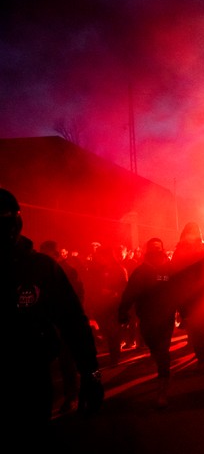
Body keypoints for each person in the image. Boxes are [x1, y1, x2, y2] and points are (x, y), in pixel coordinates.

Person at [1, 188, 103, 444]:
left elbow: (72, 320)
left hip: (30, 380)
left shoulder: (41, 268)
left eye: (4, 218)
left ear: (16, 221)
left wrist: (91, 374)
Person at [118, 237, 177, 408]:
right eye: (152, 248)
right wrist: (123, 311)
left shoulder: (169, 269)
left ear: (163, 249)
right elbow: (130, 292)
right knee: (154, 347)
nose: (156, 250)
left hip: (166, 315)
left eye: (158, 247)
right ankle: (161, 366)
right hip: (147, 317)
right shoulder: (140, 271)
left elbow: (178, 288)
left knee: (163, 349)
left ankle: (163, 384)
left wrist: (184, 309)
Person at [39, 239, 86, 414]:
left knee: (67, 362)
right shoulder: (41, 270)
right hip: (47, 323)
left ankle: (72, 397)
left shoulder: (68, 271)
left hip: (65, 323)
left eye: (46, 255)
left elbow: (78, 295)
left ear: (56, 255)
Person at [170, 221, 204, 372]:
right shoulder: (180, 250)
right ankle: (203, 358)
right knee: (197, 329)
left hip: (203, 294)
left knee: (203, 328)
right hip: (190, 296)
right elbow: (172, 273)